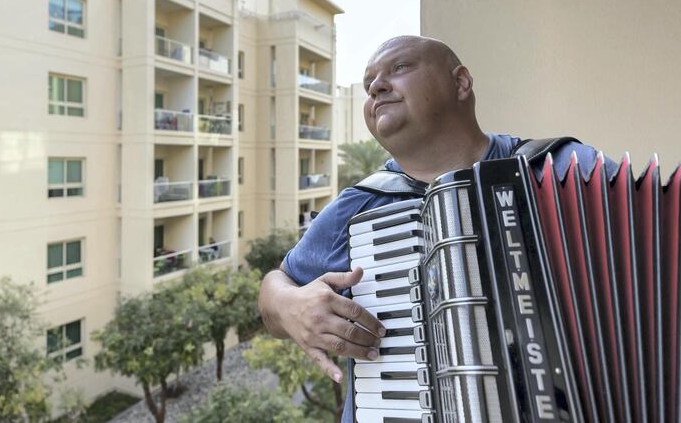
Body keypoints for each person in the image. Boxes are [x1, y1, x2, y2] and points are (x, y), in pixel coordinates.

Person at [257, 35, 616, 422]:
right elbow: (277, 284)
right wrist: (286, 304)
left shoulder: (564, 170)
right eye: (368, 84)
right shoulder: (359, 206)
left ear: (460, 82)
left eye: (399, 68)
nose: (377, 86)